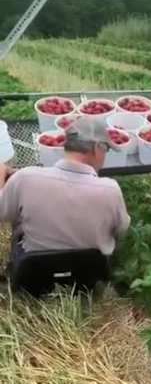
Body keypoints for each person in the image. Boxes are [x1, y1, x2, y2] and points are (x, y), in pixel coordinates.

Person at [0, 117, 131, 273]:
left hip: (35, 274)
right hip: (89, 275)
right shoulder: (111, 189)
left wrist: (2, 175)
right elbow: (122, 229)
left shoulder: (25, 178)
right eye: (107, 149)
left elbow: (3, 214)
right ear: (97, 148)